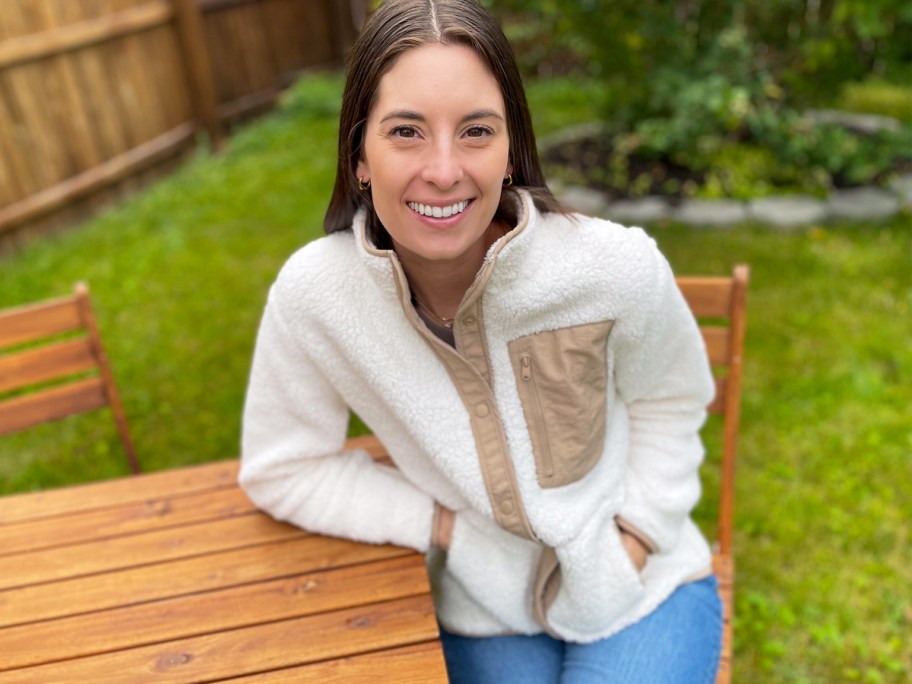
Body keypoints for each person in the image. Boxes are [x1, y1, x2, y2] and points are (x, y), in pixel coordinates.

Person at [240, 1, 722, 682]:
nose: (443, 169)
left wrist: (636, 538)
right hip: (481, 608)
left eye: (475, 131)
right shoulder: (315, 297)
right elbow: (282, 469)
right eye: (406, 131)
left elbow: (672, 400)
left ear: (510, 149)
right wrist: (443, 529)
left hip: (645, 590)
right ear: (358, 160)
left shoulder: (614, 267)